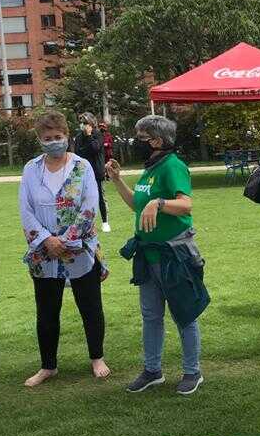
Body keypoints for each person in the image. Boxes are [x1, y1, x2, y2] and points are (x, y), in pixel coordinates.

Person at [106, 115, 208, 396]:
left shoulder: (173, 166)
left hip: (174, 254)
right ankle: (153, 370)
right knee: (151, 315)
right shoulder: (150, 169)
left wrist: (159, 203)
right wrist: (117, 181)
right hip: (149, 254)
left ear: (157, 141)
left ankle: (192, 371)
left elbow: (186, 205)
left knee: (184, 314)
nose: (135, 143)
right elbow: (137, 206)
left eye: (140, 138)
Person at [19, 110, 110, 387]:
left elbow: (89, 207)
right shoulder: (31, 169)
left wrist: (67, 240)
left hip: (79, 249)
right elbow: (26, 210)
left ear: (67, 136)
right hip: (44, 251)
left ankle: (97, 357)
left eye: (58, 137)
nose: (53, 142)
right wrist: (47, 240)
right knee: (46, 311)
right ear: (39, 139)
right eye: (47, 138)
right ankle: (48, 366)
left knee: (90, 306)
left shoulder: (82, 167)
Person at [74, 113, 110, 233]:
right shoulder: (79, 137)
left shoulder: (98, 135)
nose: (83, 126)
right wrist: (86, 147)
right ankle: (85, 222)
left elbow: (95, 148)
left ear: (91, 124)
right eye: (82, 123)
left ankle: (105, 222)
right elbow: (79, 152)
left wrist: (89, 136)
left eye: (85, 123)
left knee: (100, 197)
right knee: (82, 198)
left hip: (96, 171)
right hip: (83, 171)